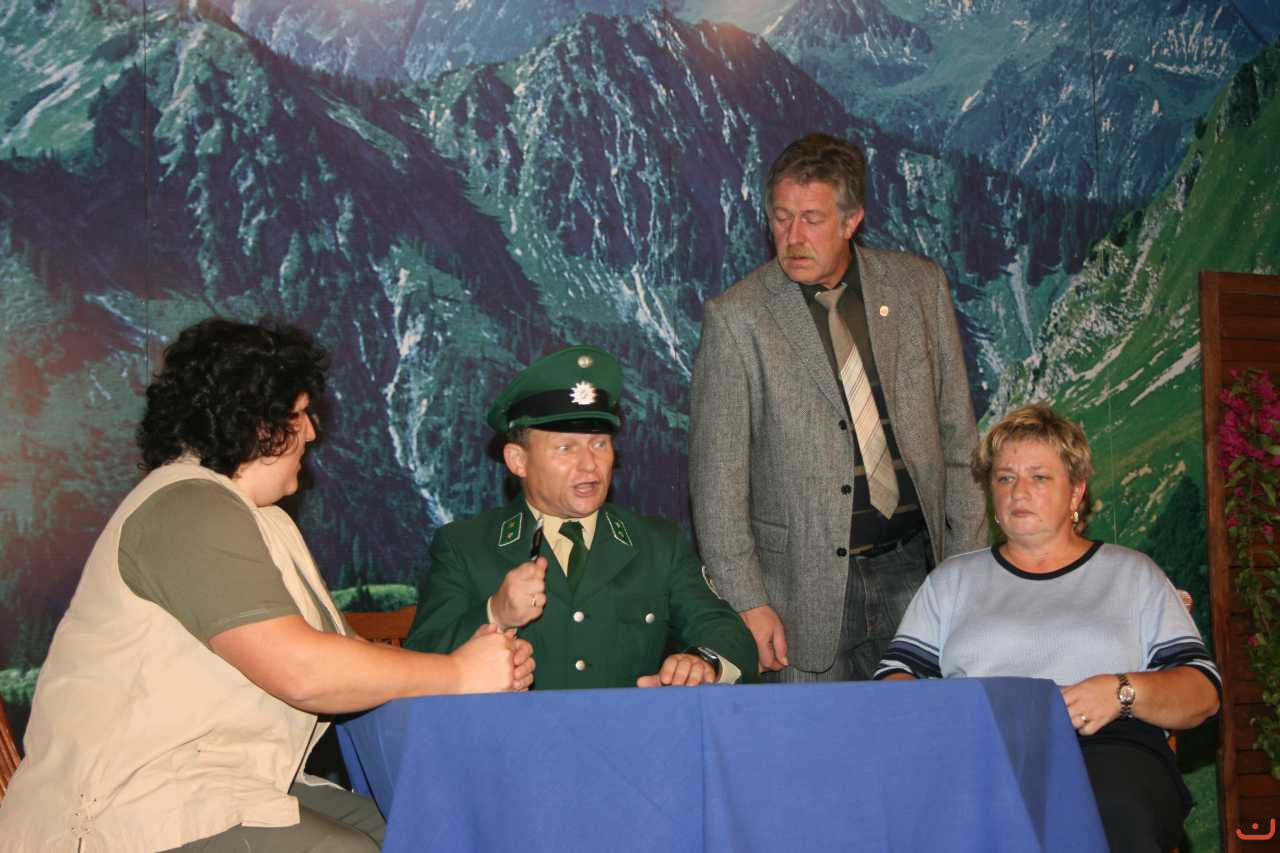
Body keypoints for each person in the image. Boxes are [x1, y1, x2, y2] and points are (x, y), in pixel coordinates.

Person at [0, 318, 533, 853]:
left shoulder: (261, 519)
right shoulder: (187, 509)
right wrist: (456, 674)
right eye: (299, 415)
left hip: (221, 787)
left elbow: (349, 659)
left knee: (422, 833)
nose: (312, 433)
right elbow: (302, 671)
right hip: (132, 805)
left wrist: (468, 655)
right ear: (255, 422)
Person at [689, 132, 987, 682]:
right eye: (781, 219)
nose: (793, 238)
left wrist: (968, 570)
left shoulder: (919, 289)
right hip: (799, 596)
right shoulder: (737, 319)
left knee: (921, 733)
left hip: (917, 574)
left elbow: (960, 442)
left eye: (812, 219)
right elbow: (717, 486)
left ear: (852, 220)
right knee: (809, 737)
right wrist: (747, 603)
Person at [874, 403, 1220, 852]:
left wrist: (1120, 691)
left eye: (1039, 477)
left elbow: (1201, 693)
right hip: (979, 750)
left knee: (1112, 807)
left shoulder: (1133, 573)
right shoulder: (951, 581)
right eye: (1005, 478)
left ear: (1076, 493)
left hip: (1106, 746)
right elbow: (893, 680)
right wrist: (955, 716)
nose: (1019, 492)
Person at [406, 345, 757, 689]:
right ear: (518, 460)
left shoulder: (658, 544)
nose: (589, 465)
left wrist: (702, 663)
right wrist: (494, 614)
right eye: (566, 448)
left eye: (599, 444)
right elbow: (420, 661)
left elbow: (728, 633)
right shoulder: (465, 547)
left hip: (629, 728)